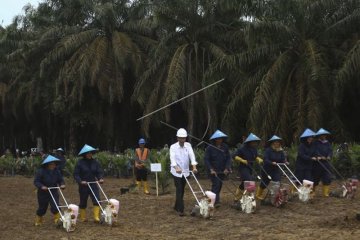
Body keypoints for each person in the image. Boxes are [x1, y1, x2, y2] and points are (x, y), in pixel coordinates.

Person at [170, 128, 198, 216]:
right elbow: (172, 158)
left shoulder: (188, 145)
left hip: (185, 172)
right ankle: (181, 210)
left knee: (182, 190)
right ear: (177, 138)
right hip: (176, 172)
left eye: (184, 138)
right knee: (179, 189)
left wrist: (194, 167)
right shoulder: (173, 147)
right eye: (180, 138)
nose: (182, 140)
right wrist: (176, 167)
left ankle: (176, 206)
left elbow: (192, 156)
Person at [74, 144, 104, 222]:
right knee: (83, 201)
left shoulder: (95, 162)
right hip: (84, 185)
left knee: (97, 200)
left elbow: (99, 172)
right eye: (88, 153)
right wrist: (80, 181)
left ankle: (96, 217)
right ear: (84, 154)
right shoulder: (80, 163)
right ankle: (83, 217)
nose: (89, 154)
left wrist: (100, 178)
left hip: (93, 183)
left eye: (90, 153)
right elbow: (76, 174)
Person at [34, 155, 65, 226]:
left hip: (53, 191)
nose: (53, 165)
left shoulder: (57, 171)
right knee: (42, 208)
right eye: (51, 164)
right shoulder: (41, 171)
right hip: (43, 193)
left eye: (54, 164)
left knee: (55, 206)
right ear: (47, 164)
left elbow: (61, 180)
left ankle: (58, 221)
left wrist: (62, 184)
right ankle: (39, 220)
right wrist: (42, 186)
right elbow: (36, 181)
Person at [204, 130, 231, 208]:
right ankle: (214, 201)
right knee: (216, 184)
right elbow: (206, 159)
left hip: (222, 170)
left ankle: (212, 199)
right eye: (218, 139)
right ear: (215, 139)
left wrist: (227, 168)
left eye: (221, 138)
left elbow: (228, 158)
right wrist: (211, 169)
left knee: (219, 185)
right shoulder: (210, 148)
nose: (220, 140)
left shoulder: (225, 147)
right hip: (213, 170)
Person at [233, 133, 263, 202]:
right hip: (243, 168)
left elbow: (255, 156)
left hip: (250, 167)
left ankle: (237, 197)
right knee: (250, 180)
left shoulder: (254, 149)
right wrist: (242, 160)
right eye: (254, 142)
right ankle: (250, 196)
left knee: (244, 182)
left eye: (255, 142)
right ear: (249, 142)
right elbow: (234, 156)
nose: (255, 143)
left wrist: (258, 159)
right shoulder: (242, 149)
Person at [257, 135, 287, 200]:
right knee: (265, 183)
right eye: (275, 142)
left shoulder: (280, 151)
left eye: (278, 142)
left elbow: (282, 159)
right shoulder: (268, 150)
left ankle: (273, 196)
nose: (277, 143)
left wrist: (285, 162)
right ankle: (258, 194)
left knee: (277, 181)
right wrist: (271, 162)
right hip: (267, 169)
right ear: (272, 143)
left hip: (275, 169)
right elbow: (265, 159)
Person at [313, 128, 333, 197]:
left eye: (324, 135)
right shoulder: (315, 143)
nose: (323, 136)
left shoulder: (327, 143)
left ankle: (325, 193)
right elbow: (315, 151)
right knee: (315, 178)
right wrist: (320, 156)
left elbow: (330, 151)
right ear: (319, 136)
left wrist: (329, 156)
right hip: (318, 163)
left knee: (327, 177)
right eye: (322, 135)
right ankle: (312, 191)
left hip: (326, 163)